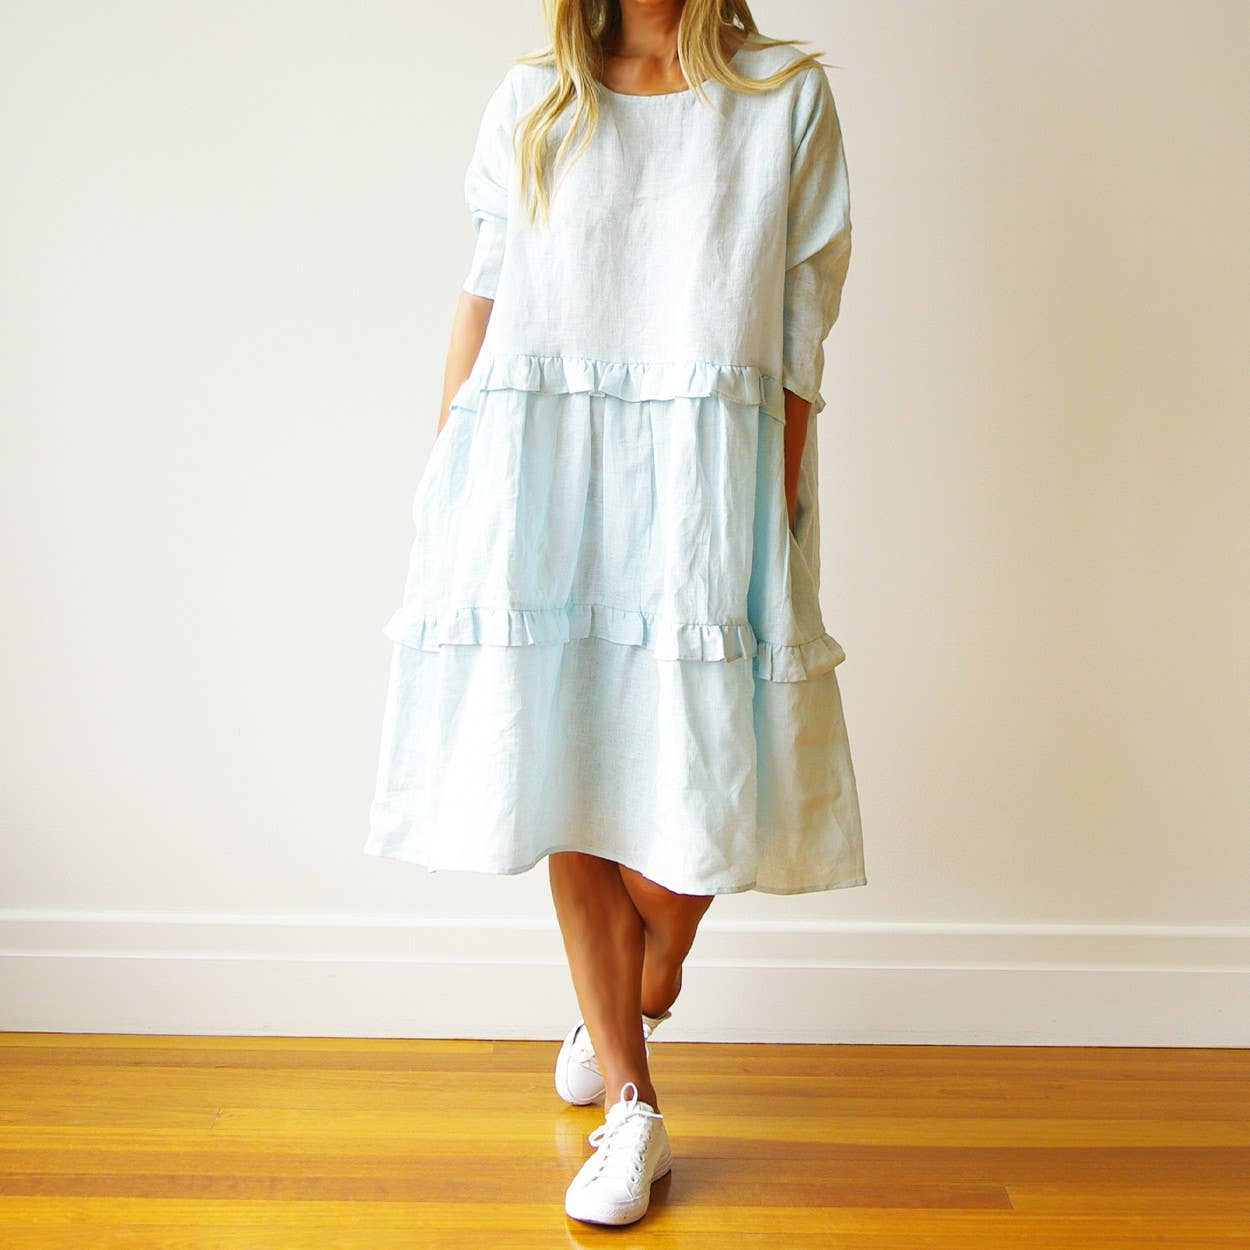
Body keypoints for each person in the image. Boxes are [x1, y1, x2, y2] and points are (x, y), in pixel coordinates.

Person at [365, 0, 867, 1226]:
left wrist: (775, 505)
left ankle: (648, 967)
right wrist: (451, 470)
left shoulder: (781, 99)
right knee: (569, 755)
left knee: (696, 792)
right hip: (544, 468)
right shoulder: (534, 96)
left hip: (706, 487)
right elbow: (485, 297)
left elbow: (797, 339)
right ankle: (630, 1106)